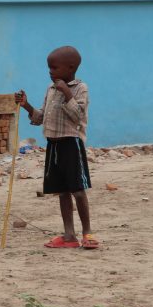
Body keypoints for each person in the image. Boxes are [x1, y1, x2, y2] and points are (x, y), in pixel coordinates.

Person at [15, 45, 98, 249]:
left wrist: (67, 93)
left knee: (78, 190)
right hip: (53, 145)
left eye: (54, 68)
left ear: (70, 68)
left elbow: (79, 116)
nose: (50, 72)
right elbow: (41, 118)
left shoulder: (81, 88)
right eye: (49, 68)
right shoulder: (50, 89)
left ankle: (87, 233)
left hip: (71, 144)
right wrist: (26, 105)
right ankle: (69, 235)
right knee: (62, 191)